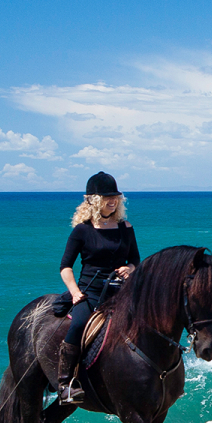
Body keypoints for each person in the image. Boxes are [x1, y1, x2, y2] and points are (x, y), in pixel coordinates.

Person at [56, 171, 139, 404]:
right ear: (93, 200)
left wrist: (129, 269)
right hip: (90, 293)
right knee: (80, 324)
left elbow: (136, 260)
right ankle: (65, 385)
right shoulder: (82, 230)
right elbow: (65, 267)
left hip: (121, 291)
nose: (112, 201)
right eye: (106, 197)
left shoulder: (126, 227)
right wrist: (75, 293)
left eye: (115, 197)